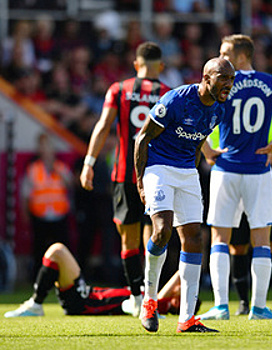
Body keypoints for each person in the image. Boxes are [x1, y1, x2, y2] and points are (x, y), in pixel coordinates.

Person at [199, 34, 272, 321]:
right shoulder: (271, 82)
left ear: (240, 55)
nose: (220, 57)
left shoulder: (222, 81)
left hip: (226, 168)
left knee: (219, 237)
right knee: (262, 238)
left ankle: (221, 306)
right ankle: (258, 307)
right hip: (259, 170)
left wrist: (208, 150)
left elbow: (196, 111)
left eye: (224, 52)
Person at [134, 57, 235, 333]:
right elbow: (142, 138)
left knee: (194, 237)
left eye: (232, 79)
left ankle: (187, 319)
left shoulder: (221, 109)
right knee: (162, 230)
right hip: (158, 167)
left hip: (187, 171)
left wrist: (205, 154)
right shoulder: (176, 100)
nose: (229, 84)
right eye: (223, 78)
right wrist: (141, 183)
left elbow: (199, 134)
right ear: (206, 78)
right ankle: (149, 302)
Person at [80, 42, 171, 317]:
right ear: (161, 66)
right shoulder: (167, 93)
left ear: (136, 64)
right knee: (153, 238)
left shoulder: (118, 90)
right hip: (156, 176)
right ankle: (150, 297)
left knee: (128, 240)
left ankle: (135, 296)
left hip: (124, 175)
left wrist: (89, 163)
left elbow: (103, 126)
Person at [205, 115, 272, 316]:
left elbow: (208, 141)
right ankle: (249, 303)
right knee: (245, 245)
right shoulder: (264, 97)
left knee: (258, 242)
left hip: (230, 175)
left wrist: (211, 154)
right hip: (256, 177)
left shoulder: (225, 102)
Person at [4, 243, 185, 318]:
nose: (177, 291)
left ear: (176, 303)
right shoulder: (149, 298)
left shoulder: (156, 305)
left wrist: (193, 261)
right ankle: (36, 303)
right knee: (56, 252)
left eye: (181, 295)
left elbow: (178, 277)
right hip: (85, 295)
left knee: (57, 251)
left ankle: (36, 304)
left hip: (83, 301)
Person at [21, 133, 73, 279]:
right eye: (43, 147)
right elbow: (25, 194)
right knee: (39, 250)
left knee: (63, 249)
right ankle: (39, 279)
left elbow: (71, 185)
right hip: (40, 215)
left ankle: (65, 278)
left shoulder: (60, 167)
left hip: (59, 214)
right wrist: (26, 214)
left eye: (49, 146)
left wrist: (57, 171)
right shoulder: (33, 168)